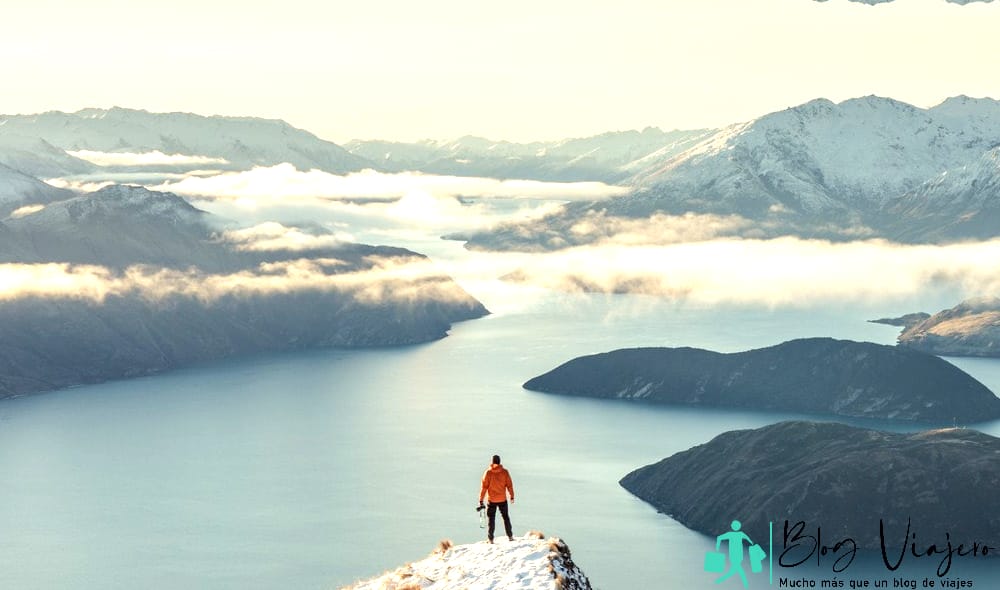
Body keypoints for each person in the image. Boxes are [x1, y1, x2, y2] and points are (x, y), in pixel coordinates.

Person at [478, 454, 514, 543]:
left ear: (492, 462)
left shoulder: (488, 473)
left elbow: (484, 487)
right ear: (500, 462)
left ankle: (491, 539)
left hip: (492, 500)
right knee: (506, 517)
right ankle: (510, 536)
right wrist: (512, 496)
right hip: (502, 500)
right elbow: (509, 485)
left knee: (491, 519)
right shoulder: (505, 472)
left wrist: (481, 499)